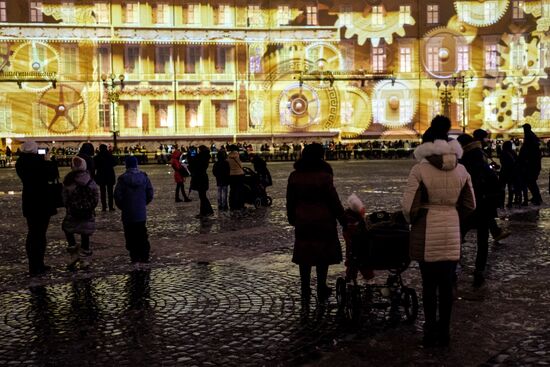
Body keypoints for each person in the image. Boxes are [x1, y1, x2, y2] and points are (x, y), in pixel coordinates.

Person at [402, 124, 475, 348]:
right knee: (446, 284)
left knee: (429, 284)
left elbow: (408, 208)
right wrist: (452, 216)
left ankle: (430, 328)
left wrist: (416, 218)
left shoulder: (419, 170)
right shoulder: (461, 170)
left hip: (427, 232)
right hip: (451, 230)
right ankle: (445, 330)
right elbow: (470, 204)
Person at [286, 143, 346, 303]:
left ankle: (305, 288)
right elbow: (334, 201)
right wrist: (343, 219)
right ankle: (321, 287)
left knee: (304, 255)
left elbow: (290, 201)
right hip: (323, 220)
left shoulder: (294, 176)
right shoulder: (324, 176)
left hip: (303, 220)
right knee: (322, 256)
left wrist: (292, 218)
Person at [457, 132, 501, 288]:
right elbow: (495, 183)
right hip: (484, 206)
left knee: (458, 236)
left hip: (468, 207)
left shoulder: (462, 163)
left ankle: (454, 264)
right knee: (482, 241)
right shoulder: (481, 158)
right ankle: (479, 269)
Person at [16, 141, 60, 276]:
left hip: (29, 200)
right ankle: (39, 264)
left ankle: (33, 265)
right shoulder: (40, 162)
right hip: (42, 200)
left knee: (32, 232)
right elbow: (53, 175)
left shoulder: (20, 162)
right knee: (40, 234)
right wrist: (48, 160)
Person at [114, 156, 154, 265]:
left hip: (128, 213)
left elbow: (117, 196)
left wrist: (123, 206)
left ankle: (134, 255)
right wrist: (142, 203)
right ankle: (144, 255)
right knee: (142, 233)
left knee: (130, 234)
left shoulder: (122, 179)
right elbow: (150, 193)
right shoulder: (144, 177)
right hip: (140, 212)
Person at [62, 156, 100, 269]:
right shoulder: (90, 180)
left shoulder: (68, 181)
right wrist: (90, 207)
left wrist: (69, 206)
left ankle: (73, 252)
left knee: (68, 230)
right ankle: (85, 259)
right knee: (85, 235)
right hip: (88, 211)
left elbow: (64, 198)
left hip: (72, 211)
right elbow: (95, 196)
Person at [518, 123, 543, 205]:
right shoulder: (531, 136)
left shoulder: (529, 137)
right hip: (534, 164)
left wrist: (522, 159)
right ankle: (536, 197)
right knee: (531, 182)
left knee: (530, 182)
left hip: (531, 165)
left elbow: (526, 150)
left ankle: (537, 198)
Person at [189, 145, 214, 217]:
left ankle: (204, 212)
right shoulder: (205, 156)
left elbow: (193, 164)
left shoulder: (200, 157)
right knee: (203, 196)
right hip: (203, 177)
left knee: (202, 196)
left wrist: (191, 155)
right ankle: (208, 211)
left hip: (200, 178)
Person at [94, 144, 117, 211]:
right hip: (109, 175)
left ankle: (104, 207)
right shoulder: (110, 155)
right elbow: (115, 162)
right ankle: (110, 206)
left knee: (102, 192)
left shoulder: (97, 157)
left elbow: (94, 166)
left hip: (101, 176)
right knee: (110, 192)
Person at [499, 140, 521, 208]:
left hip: (504, 172)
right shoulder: (513, 153)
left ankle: (501, 203)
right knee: (510, 188)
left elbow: (502, 162)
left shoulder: (503, 153)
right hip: (512, 172)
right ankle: (510, 203)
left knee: (502, 188)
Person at [227, 144, 245, 211]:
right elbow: (244, 158)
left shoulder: (228, 156)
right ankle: (240, 205)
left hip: (231, 174)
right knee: (240, 190)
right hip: (239, 174)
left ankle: (232, 205)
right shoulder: (238, 155)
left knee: (232, 190)